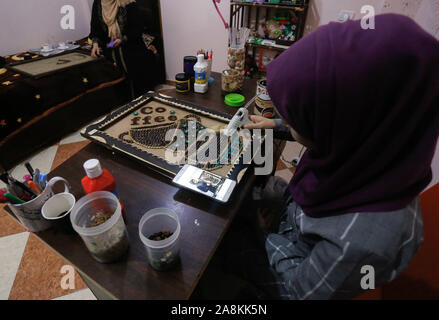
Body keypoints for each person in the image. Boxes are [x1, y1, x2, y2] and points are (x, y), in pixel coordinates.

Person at [196, 14, 439, 300]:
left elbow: (300, 291)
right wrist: (274, 125)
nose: (286, 118)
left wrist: (266, 237)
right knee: (242, 194)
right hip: (296, 218)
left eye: (298, 117)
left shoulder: (360, 242)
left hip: (293, 273)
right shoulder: (374, 147)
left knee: (217, 245)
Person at [89, 0, 159, 97]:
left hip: (131, 44)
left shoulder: (128, 2)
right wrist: (95, 44)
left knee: (139, 76)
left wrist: (123, 39)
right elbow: (95, 29)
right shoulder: (98, 3)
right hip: (110, 46)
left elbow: (137, 28)